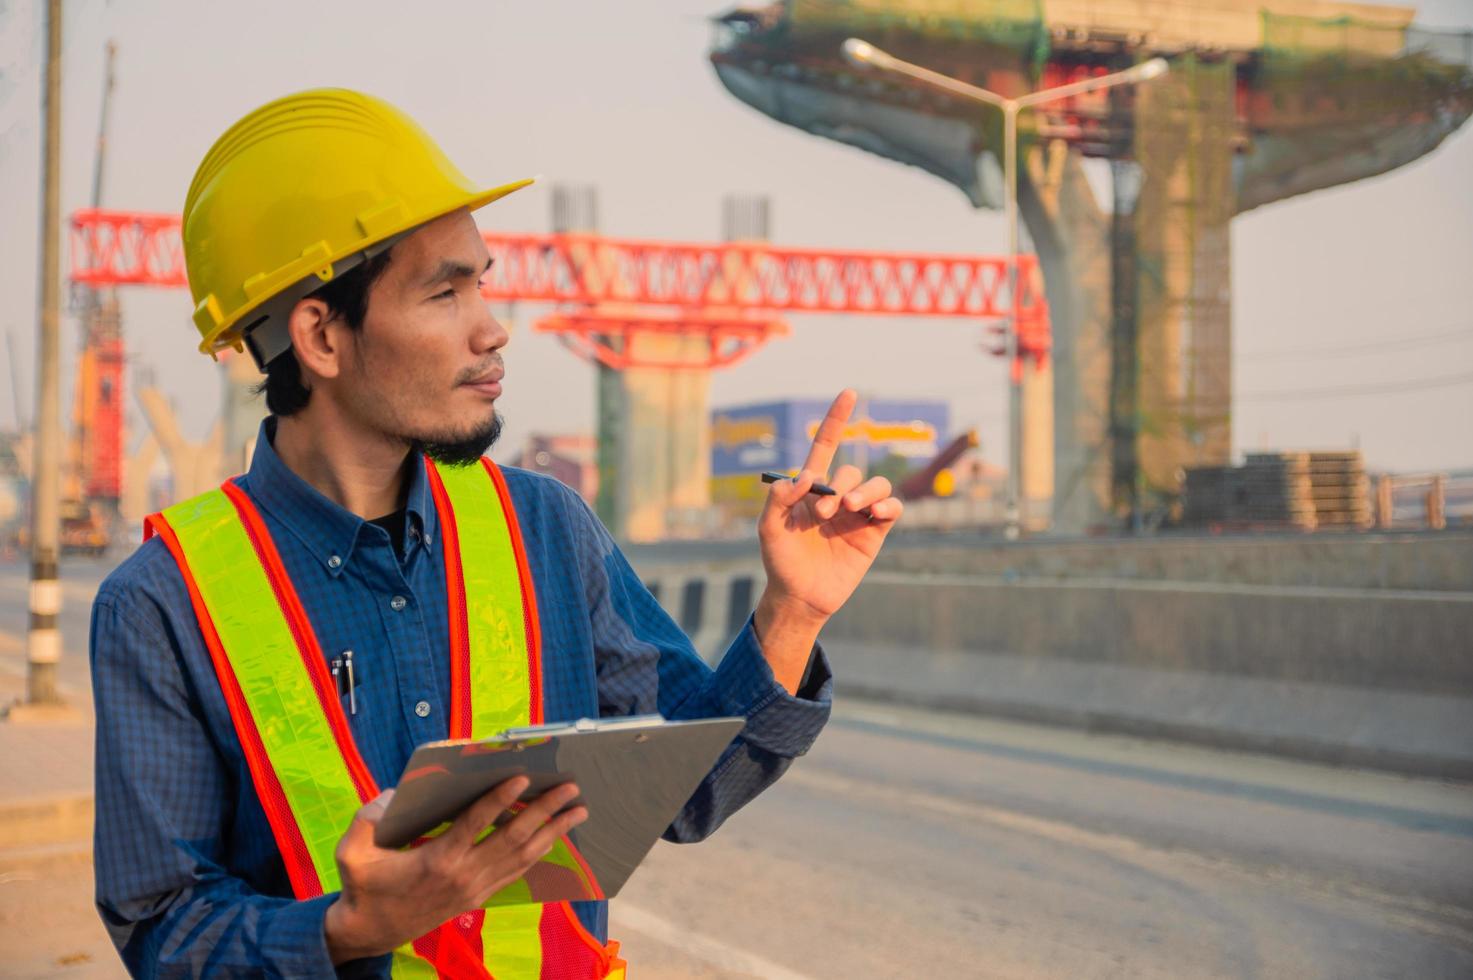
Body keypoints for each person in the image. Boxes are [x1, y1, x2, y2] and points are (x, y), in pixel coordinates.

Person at [90, 88, 902, 978]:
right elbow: (164, 929)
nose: (492, 327)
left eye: (482, 281)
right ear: (321, 336)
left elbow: (684, 790)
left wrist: (792, 611)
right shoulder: (163, 602)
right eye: (445, 292)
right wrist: (349, 930)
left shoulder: (546, 530)